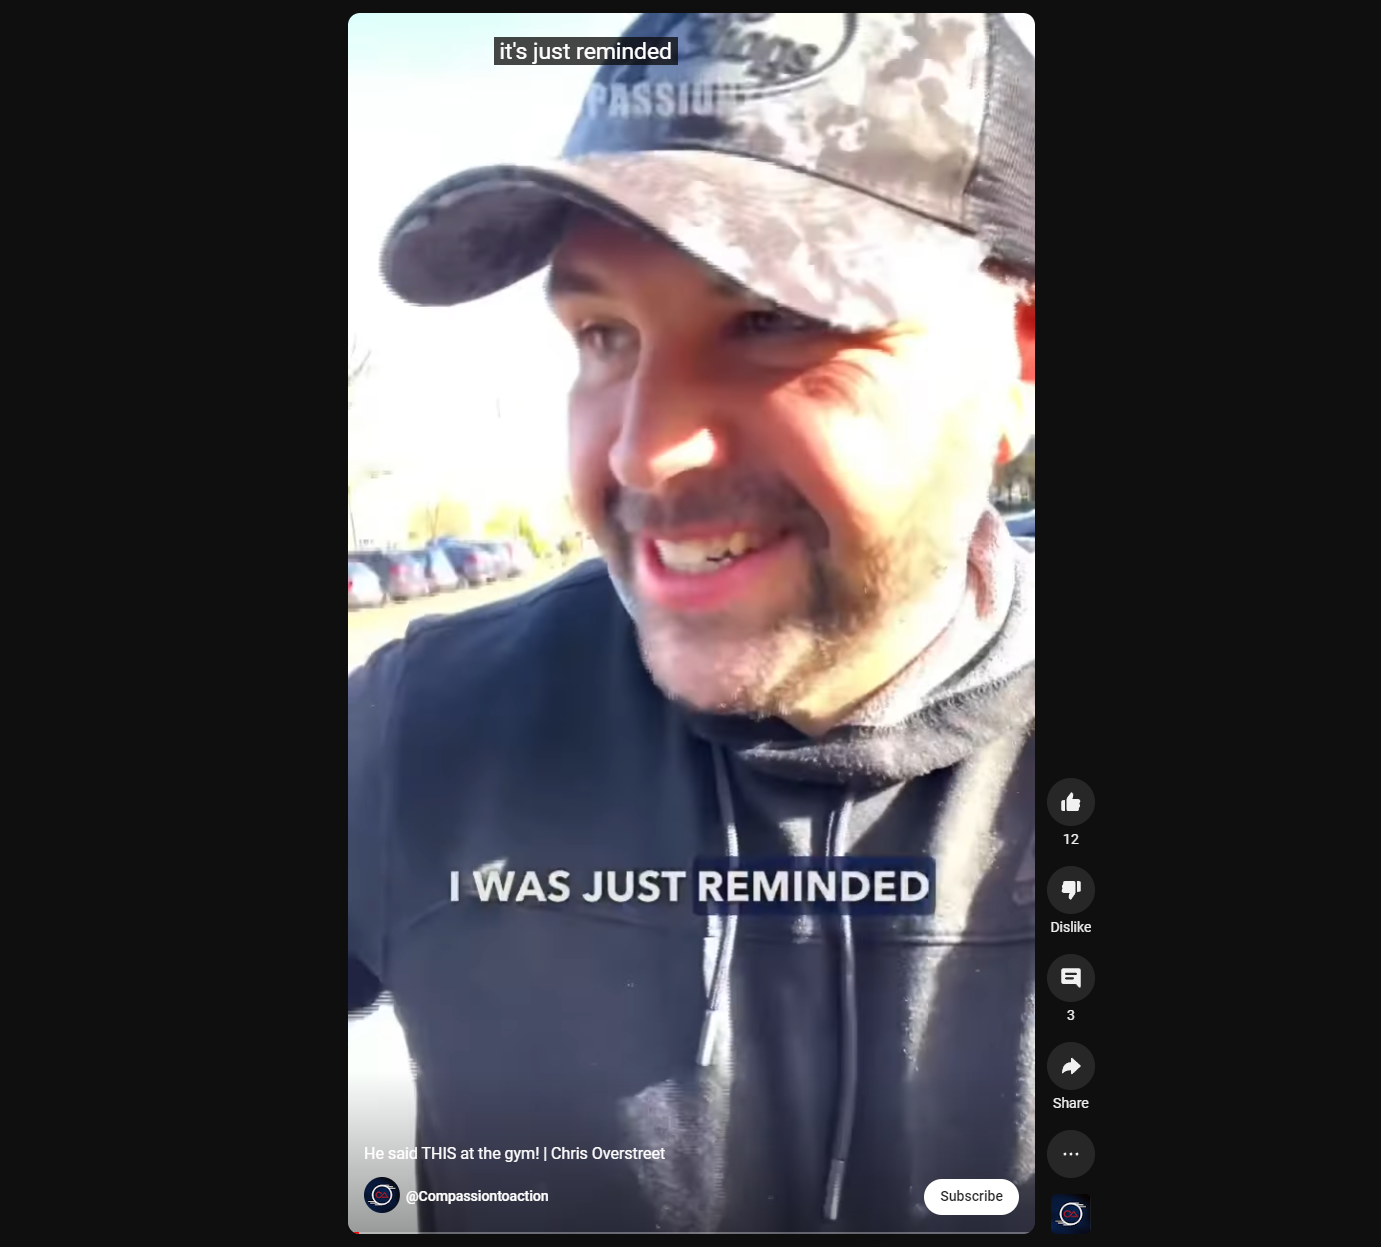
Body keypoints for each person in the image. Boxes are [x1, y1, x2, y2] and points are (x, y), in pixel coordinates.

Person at [350, 12, 1035, 1233]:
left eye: (775, 316)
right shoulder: (424, 727)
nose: (644, 450)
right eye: (603, 335)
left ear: (1020, 359)